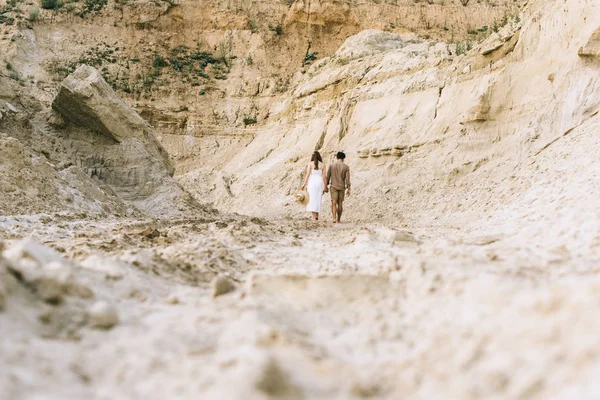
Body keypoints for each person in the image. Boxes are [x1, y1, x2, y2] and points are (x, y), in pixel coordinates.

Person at [300, 151, 328, 221]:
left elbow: (307, 174)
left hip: (312, 182)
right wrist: (325, 186)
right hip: (319, 182)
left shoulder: (310, 164)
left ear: (312, 157)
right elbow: (324, 177)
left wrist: (304, 184)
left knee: (312, 198)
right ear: (319, 157)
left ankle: (314, 216)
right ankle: (317, 215)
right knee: (318, 198)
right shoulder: (323, 165)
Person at [326, 151, 351, 223]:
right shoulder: (346, 167)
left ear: (337, 157)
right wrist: (349, 188)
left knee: (333, 202)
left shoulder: (331, 165)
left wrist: (326, 185)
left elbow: (328, 176)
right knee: (340, 203)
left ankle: (334, 218)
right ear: (343, 158)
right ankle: (338, 219)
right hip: (341, 187)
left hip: (333, 186)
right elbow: (347, 179)